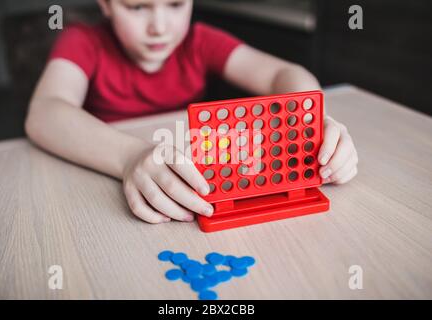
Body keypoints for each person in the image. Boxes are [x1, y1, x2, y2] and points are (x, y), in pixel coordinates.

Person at [25, 0, 358, 224]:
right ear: (106, 5)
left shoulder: (199, 41)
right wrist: (129, 157)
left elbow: (281, 74)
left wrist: (308, 121)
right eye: (137, 6)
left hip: (188, 182)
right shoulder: (82, 41)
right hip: (105, 183)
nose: (159, 26)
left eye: (175, 3)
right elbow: (45, 111)